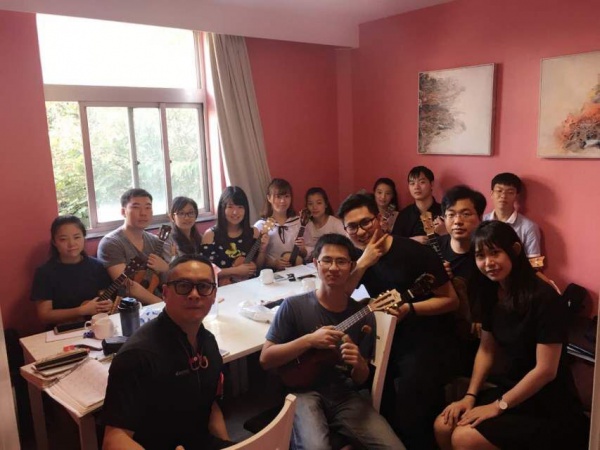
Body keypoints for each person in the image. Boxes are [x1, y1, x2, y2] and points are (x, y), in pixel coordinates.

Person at [434, 221, 589, 450]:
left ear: (515, 250)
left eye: (495, 253)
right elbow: (486, 349)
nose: (488, 263)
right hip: (511, 387)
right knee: (443, 425)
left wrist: (498, 406)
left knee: (464, 438)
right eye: (480, 256)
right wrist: (470, 396)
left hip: (547, 402)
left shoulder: (544, 297)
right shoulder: (489, 291)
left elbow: (545, 371)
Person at [260, 233, 405, 450]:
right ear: (315, 263)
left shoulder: (364, 316)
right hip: (302, 392)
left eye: (341, 262)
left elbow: (360, 379)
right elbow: (266, 359)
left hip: (343, 393)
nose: (333, 268)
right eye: (326, 260)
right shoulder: (293, 306)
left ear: (352, 266)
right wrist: (309, 340)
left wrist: (359, 364)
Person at [338, 192, 458, 450]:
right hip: (387, 336)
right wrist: (363, 262)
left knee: (411, 395)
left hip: (425, 336)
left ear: (379, 219)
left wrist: (410, 309)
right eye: (352, 227)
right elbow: (341, 295)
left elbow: (451, 300)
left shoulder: (415, 252)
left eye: (366, 222)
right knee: (360, 379)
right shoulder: (359, 257)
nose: (361, 231)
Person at [103, 254, 233, 450]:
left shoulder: (207, 342)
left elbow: (211, 406)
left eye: (204, 286)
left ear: (214, 294)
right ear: (165, 293)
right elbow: (113, 440)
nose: (194, 294)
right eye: (183, 286)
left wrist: (229, 446)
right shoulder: (137, 356)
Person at [439, 185, 487, 373]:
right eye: (451, 215)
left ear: (480, 217)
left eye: (466, 214)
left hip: (479, 334)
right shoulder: (434, 250)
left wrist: (482, 315)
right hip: (440, 329)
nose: (458, 221)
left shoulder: (487, 253)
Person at [31, 215, 112, 327]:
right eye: (63, 239)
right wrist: (81, 311)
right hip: (61, 331)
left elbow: (103, 296)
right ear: (54, 242)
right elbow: (44, 316)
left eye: (77, 237)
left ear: (84, 237)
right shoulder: (44, 273)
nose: (71, 244)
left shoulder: (97, 266)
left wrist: (107, 304)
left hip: (95, 326)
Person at [98, 188, 171, 305]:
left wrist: (166, 269)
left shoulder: (155, 241)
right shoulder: (111, 243)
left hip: (158, 302)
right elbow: (128, 286)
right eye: (136, 207)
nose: (143, 213)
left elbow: (167, 281)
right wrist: (163, 305)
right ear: (123, 212)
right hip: (127, 307)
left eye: (148, 207)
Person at [201, 186, 266, 284]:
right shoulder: (210, 235)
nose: (235, 212)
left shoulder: (254, 232)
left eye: (240, 207)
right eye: (230, 207)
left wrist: (262, 250)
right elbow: (206, 271)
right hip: (225, 287)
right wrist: (235, 271)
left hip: (251, 284)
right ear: (222, 208)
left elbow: (259, 267)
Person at [483, 172, 541, 258]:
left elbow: (534, 261)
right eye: (499, 191)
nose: (503, 196)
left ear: (516, 196)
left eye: (510, 192)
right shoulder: (481, 221)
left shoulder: (528, 227)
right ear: (492, 194)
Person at [254, 178, 306, 270]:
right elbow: (257, 262)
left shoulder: (299, 222)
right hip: (273, 273)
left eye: (286, 196)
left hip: (297, 270)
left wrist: (302, 249)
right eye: (278, 197)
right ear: (269, 198)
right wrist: (273, 263)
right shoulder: (261, 225)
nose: (283, 201)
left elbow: (305, 255)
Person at [392, 166, 444, 242]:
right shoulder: (404, 215)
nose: (416, 187)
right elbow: (394, 242)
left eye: (422, 182)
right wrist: (411, 241)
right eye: (412, 183)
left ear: (431, 184)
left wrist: (445, 232)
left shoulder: (444, 212)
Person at [302, 187, 346, 260]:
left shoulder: (335, 223)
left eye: (319, 203)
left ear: (326, 204)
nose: (314, 207)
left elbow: (347, 243)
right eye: (310, 204)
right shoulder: (307, 225)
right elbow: (307, 249)